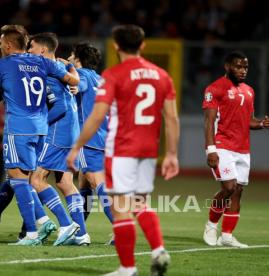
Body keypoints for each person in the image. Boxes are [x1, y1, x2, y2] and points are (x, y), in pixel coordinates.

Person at [67, 25, 180, 276]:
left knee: (119, 205)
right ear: (143, 45)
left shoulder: (114, 75)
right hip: (148, 149)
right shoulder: (162, 75)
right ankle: (158, 249)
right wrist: (171, 153)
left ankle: (127, 268)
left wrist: (76, 147)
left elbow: (96, 116)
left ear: (116, 46)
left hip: (121, 147)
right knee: (140, 202)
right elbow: (171, 118)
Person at [0, 24, 79, 245]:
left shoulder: (1, 65)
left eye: (1, 42)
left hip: (18, 127)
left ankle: (32, 232)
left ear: (8, 45)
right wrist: (70, 67)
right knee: (28, 179)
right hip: (41, 128)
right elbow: (74, 81)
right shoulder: (43, 62)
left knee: (17, 180)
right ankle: (59, 223)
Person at [202, 51, 269, 248]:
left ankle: (227, 236)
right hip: (222, 146)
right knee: (228, 188)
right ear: (227, 67)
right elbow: (208, 122)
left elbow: (248, 121)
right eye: (238, 67)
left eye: (245, 67)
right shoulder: (215, 88)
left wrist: (261, 124)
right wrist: (210, 150)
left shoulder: (249, 91)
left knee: (238, 191)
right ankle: (211, 225)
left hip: (243, 148)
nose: (242, 71)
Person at [28, 33, 86, 246]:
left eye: (31, 47)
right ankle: (81, 234)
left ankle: (64, 225)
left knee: (35, 179)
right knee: (65, 182)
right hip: (72, 132)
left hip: (56, 132)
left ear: (43, 50)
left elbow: (59, 106)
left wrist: (39, 126)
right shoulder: (60, 68)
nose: (29, 51)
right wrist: (71, 69)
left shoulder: (46, 70)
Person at [68, 42, 114, 232]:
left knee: (96, 182)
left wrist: (76, 87)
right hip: (106, 137)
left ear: (78, 59)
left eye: (71, 54)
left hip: (90, 139)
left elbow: (80, 83)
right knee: (84, 183)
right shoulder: (101, 79)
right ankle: (79, 229)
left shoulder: (83, 75)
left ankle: (120, 227)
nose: (69, 57)